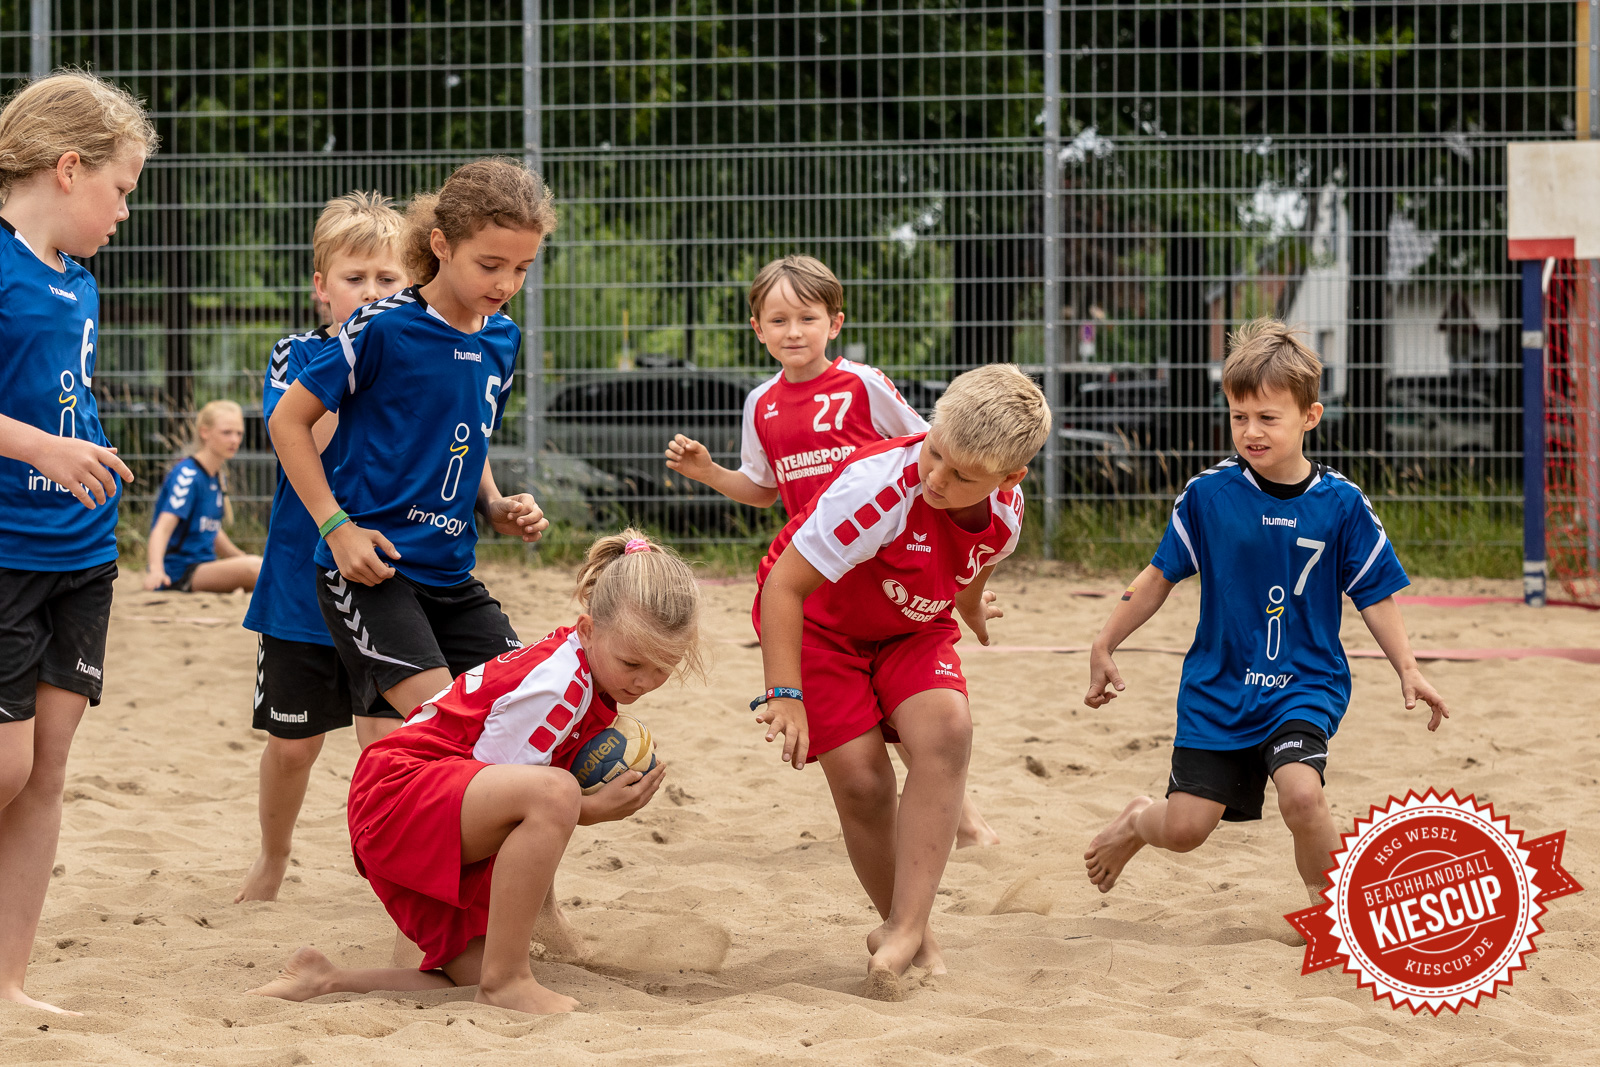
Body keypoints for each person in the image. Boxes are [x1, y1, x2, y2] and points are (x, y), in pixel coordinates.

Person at [250, 530, 701, 1015]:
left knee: (465, 978)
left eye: (663, 668)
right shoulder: (560, 688)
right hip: (398, 796)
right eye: (632, 662)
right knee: (557, 794)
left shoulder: (585, 672)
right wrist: (588, 810)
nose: (645, 681)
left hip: (428, 809)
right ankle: (509, 982)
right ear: (588, 629)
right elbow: (502, 788)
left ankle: (326, 980)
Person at [1082, 320, 1450, 906]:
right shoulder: (1208, 496)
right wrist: (1105, 643)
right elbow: (1158, 577)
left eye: (1267, 418)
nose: (1250, 432)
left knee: (1302, 796)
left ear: (1310, 416)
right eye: (1238, 417)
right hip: (1219, 688)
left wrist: (1407, 666)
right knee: (1184, 831)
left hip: (1304, 683)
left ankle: (1331, 914)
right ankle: (1135, 822)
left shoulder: (1343, 505)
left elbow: (1373, 593)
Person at [665, 253, 1000, 849]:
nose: (794, 331)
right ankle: (927, 824)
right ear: (757, 329)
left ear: (834, 323)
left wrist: (951, 565)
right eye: (778, 320)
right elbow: (765, 490)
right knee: (861, 714)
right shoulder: (761, 404)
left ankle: (964, 821)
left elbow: (933, 446)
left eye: (807, 318)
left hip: (891, 567)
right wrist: (710, 472)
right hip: (819, 577)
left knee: (918, 705)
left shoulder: (863, 385)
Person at [754, 364, 1049, 999]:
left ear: (1009, 478)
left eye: (962, 475)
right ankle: (912, 930)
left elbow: (981, 561)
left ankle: (907, 926)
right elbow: (784, 586)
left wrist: (969, 605)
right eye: (934, 452)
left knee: (947, 730)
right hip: (820, 625)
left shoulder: (1007, 507)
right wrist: (785, 694)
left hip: (912, 625)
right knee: (861, 779)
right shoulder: (877, 488)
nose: (936, 478)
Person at [267, 158, 554, 726]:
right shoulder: (382, 326)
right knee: (447, 724)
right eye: (491, 264)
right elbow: (286, 424)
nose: (506, 284)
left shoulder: (503, 337)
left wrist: (493, 503)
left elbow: (466, 435)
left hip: (453, 575)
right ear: (441, 244)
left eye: (522, 268)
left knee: (527, 710)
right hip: (373, 571)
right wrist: (336, 526)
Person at [0, 71, 157, 1015]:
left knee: (45, 771)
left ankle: (7, 984)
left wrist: (82, 456)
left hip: (82, 554)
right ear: (69, 169)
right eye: (121, 188)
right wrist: (42, 449)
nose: (125, 210)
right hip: (8, 549)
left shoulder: (79, 280)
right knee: (8, 764)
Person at [235, 191, 409, 903]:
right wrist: (350, 369)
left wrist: (494, 499)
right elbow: (306, 433)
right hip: (299, 587)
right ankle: (273, 859)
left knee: (387, 739)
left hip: (388, 579)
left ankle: (392, 872)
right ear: (321, 289)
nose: (372, 293)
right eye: (355, 278)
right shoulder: (298, 355)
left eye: (389, 280)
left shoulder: (420, 358)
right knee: (295, 744)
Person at [143, 400, 261, 593]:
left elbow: (211, 530)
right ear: (204, 432)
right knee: (257, 568)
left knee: (262, 568)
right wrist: (156, 570)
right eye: (227, 432)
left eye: (239, 433)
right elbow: (162, 528)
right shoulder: (188, 474)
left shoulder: (217, 475)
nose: (235, 440)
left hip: (204, 566)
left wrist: (240, 557)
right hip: (179, 571)